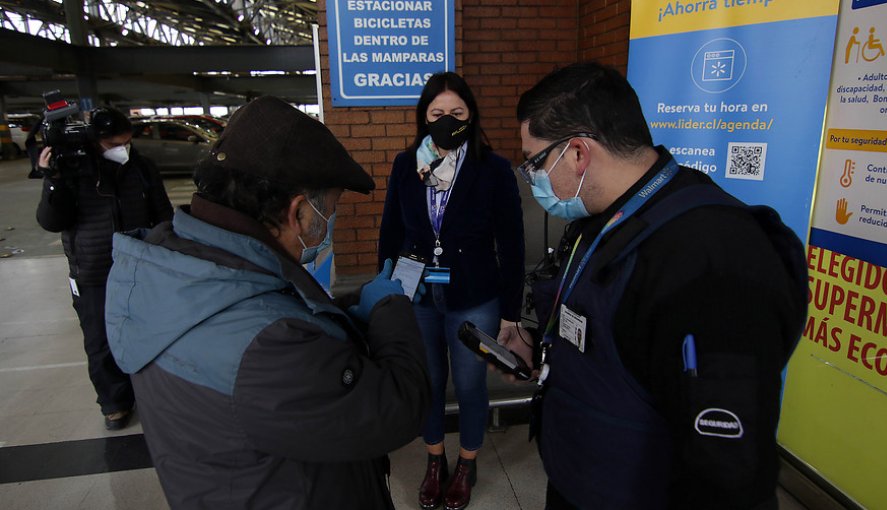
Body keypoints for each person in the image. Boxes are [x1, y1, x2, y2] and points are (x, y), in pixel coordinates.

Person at [498, 63, 807, 509]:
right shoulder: (601, 218)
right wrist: (539, 347)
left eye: (535, 162)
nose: (532, 179)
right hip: (582, 478)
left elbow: (728, 473)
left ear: (578, 152)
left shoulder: (713, 257)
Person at [104, 96, 430, 509]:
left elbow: (266, 310)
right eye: (329, 210)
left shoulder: (168, 267)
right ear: (297, 212)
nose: (329, 223)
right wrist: (391, 310)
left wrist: (349, 312)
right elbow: (396, 409)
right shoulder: (268, 348)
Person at [378, 72, 525, 510]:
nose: (446, 120)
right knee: (428, 382)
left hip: (475, 295)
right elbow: (391, 231)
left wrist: (511, 313)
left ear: (471, 115)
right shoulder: (407, 164)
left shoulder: (493, 168)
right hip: (417, 292)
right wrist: (387, 292)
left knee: (469, 383)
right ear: (424, 116)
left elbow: (512, 242)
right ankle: (435, 459)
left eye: (457, 113)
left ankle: (466, 463)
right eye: (437, 112)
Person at [35, 107, 173, 430]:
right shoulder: (73, 170)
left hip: (139, 267)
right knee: (100, 341)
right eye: (114, 143)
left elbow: (162, 213)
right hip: (93, 271)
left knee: (149, 333)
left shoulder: (141, 167)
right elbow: (51, 221)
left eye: (126, 141)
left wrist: (167, 250)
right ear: (96, 141)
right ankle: (115, 403)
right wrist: (52, 181)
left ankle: (150, 394)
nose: (122, 148)